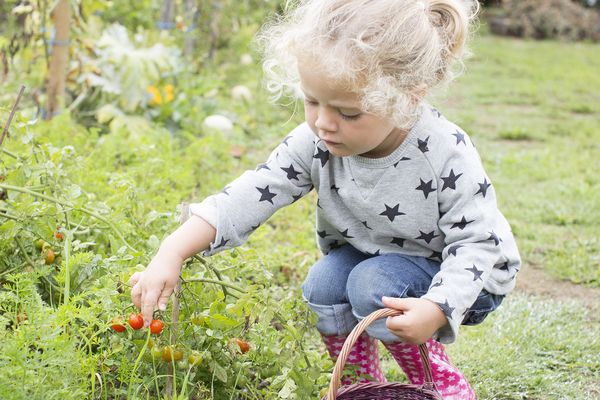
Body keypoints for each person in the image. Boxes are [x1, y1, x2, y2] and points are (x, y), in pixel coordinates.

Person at [129, 0, 521, 398]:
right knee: (325, 282)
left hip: (469, 277)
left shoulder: (443, 151)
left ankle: (438, 383)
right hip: (382, 258)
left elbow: (477, 241)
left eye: (348, 113)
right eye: (312, 101)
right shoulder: (315, 141)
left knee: (372, 282)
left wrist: (438, 307)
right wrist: (173, 250)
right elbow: (250, 194)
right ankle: (357, 380)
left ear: (408, 99)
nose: (323, 123)